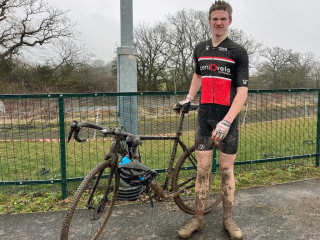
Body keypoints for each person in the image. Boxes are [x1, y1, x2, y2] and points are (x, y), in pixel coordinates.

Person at [174, 1, 249, 239]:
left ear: (229, 21)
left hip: (228, 120)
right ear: (209, 21)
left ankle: (228, 219)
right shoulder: (200, 49)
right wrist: (188, 98)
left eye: (223, 19)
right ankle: (197, 219)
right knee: (203, 169)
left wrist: (227, 121)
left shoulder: (238, 51)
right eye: (215, 19)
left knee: (226, 170)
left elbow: (243, 92)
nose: (219, 22)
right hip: (205, 117)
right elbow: (198, 75)